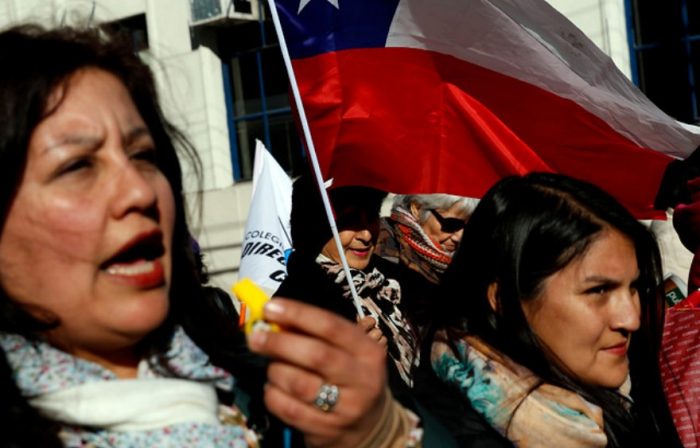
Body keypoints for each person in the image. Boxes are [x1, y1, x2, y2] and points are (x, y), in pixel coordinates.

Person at [0, 24, 420, 447]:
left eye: (143, 156)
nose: (140, 191)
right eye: (77, 166)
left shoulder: (246, 378)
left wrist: (370, 420)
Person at [426, 172, 681, 447]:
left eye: (633, 287)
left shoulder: (622, 398)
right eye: (598, 291)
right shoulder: (442, 432)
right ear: (503, 300)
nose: (631, 319)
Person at [275, 174, 420, 390]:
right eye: (349, 220)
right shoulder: (294, 307)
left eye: (371, 216)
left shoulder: (398, 280)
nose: (365, 235)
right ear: (315, 226)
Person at [376, 193, 477, 332]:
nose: (459, 237)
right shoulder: (380, 246)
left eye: (468, 226)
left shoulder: (467, 263)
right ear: (416, 208)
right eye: (451, 224)